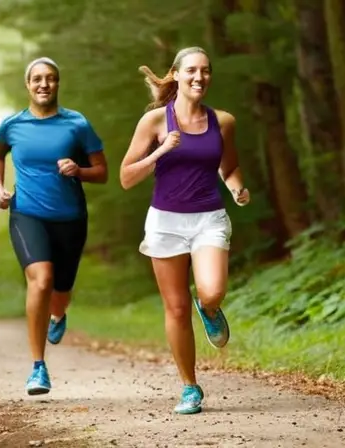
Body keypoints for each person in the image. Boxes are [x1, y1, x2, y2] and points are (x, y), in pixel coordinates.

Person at [119, 46, 250, 415]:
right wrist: (160, 152)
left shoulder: (223, 121)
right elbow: (126, 178)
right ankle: (190, 387)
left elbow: (230, 168)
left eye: (206, 71)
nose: (199, 77)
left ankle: (208, 308)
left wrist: (237, 188)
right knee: (175, 308)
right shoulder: (155, 122)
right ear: (175, 74)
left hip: (209, 218)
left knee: (212, 291)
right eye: (191, 70)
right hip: (165, 222)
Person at [0, 57, 108, 395]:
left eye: (50, 79)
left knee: (60, 291)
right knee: (41, 281)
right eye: (37, 79)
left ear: (58, 84)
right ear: (28, 85)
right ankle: (38, 368)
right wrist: (0, 189)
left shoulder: (77, 124)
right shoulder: (11, 125)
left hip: (70, 218)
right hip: (27, 214)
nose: (44, 84)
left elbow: (102, 171)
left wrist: (79, 170)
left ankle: (58, 316)